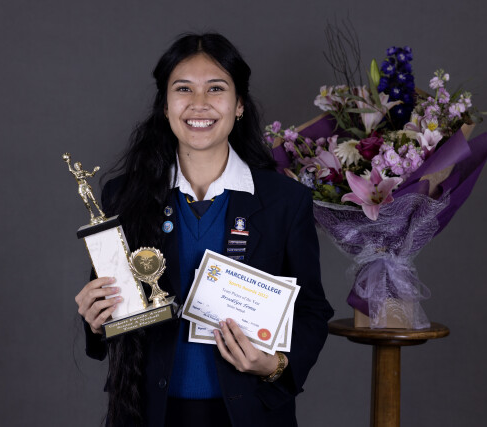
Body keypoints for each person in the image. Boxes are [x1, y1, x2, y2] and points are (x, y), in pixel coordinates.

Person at [74, 33, 334, 427]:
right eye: (183, 89)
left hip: (250, 414)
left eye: (216, 88)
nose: (199, 103)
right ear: (165, 105)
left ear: (239, 104)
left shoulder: (285, 200)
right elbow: (115, 305)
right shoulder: (124, 194)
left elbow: (313, 309)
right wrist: (96, 320)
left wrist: (275, 365)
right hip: (147, 413)